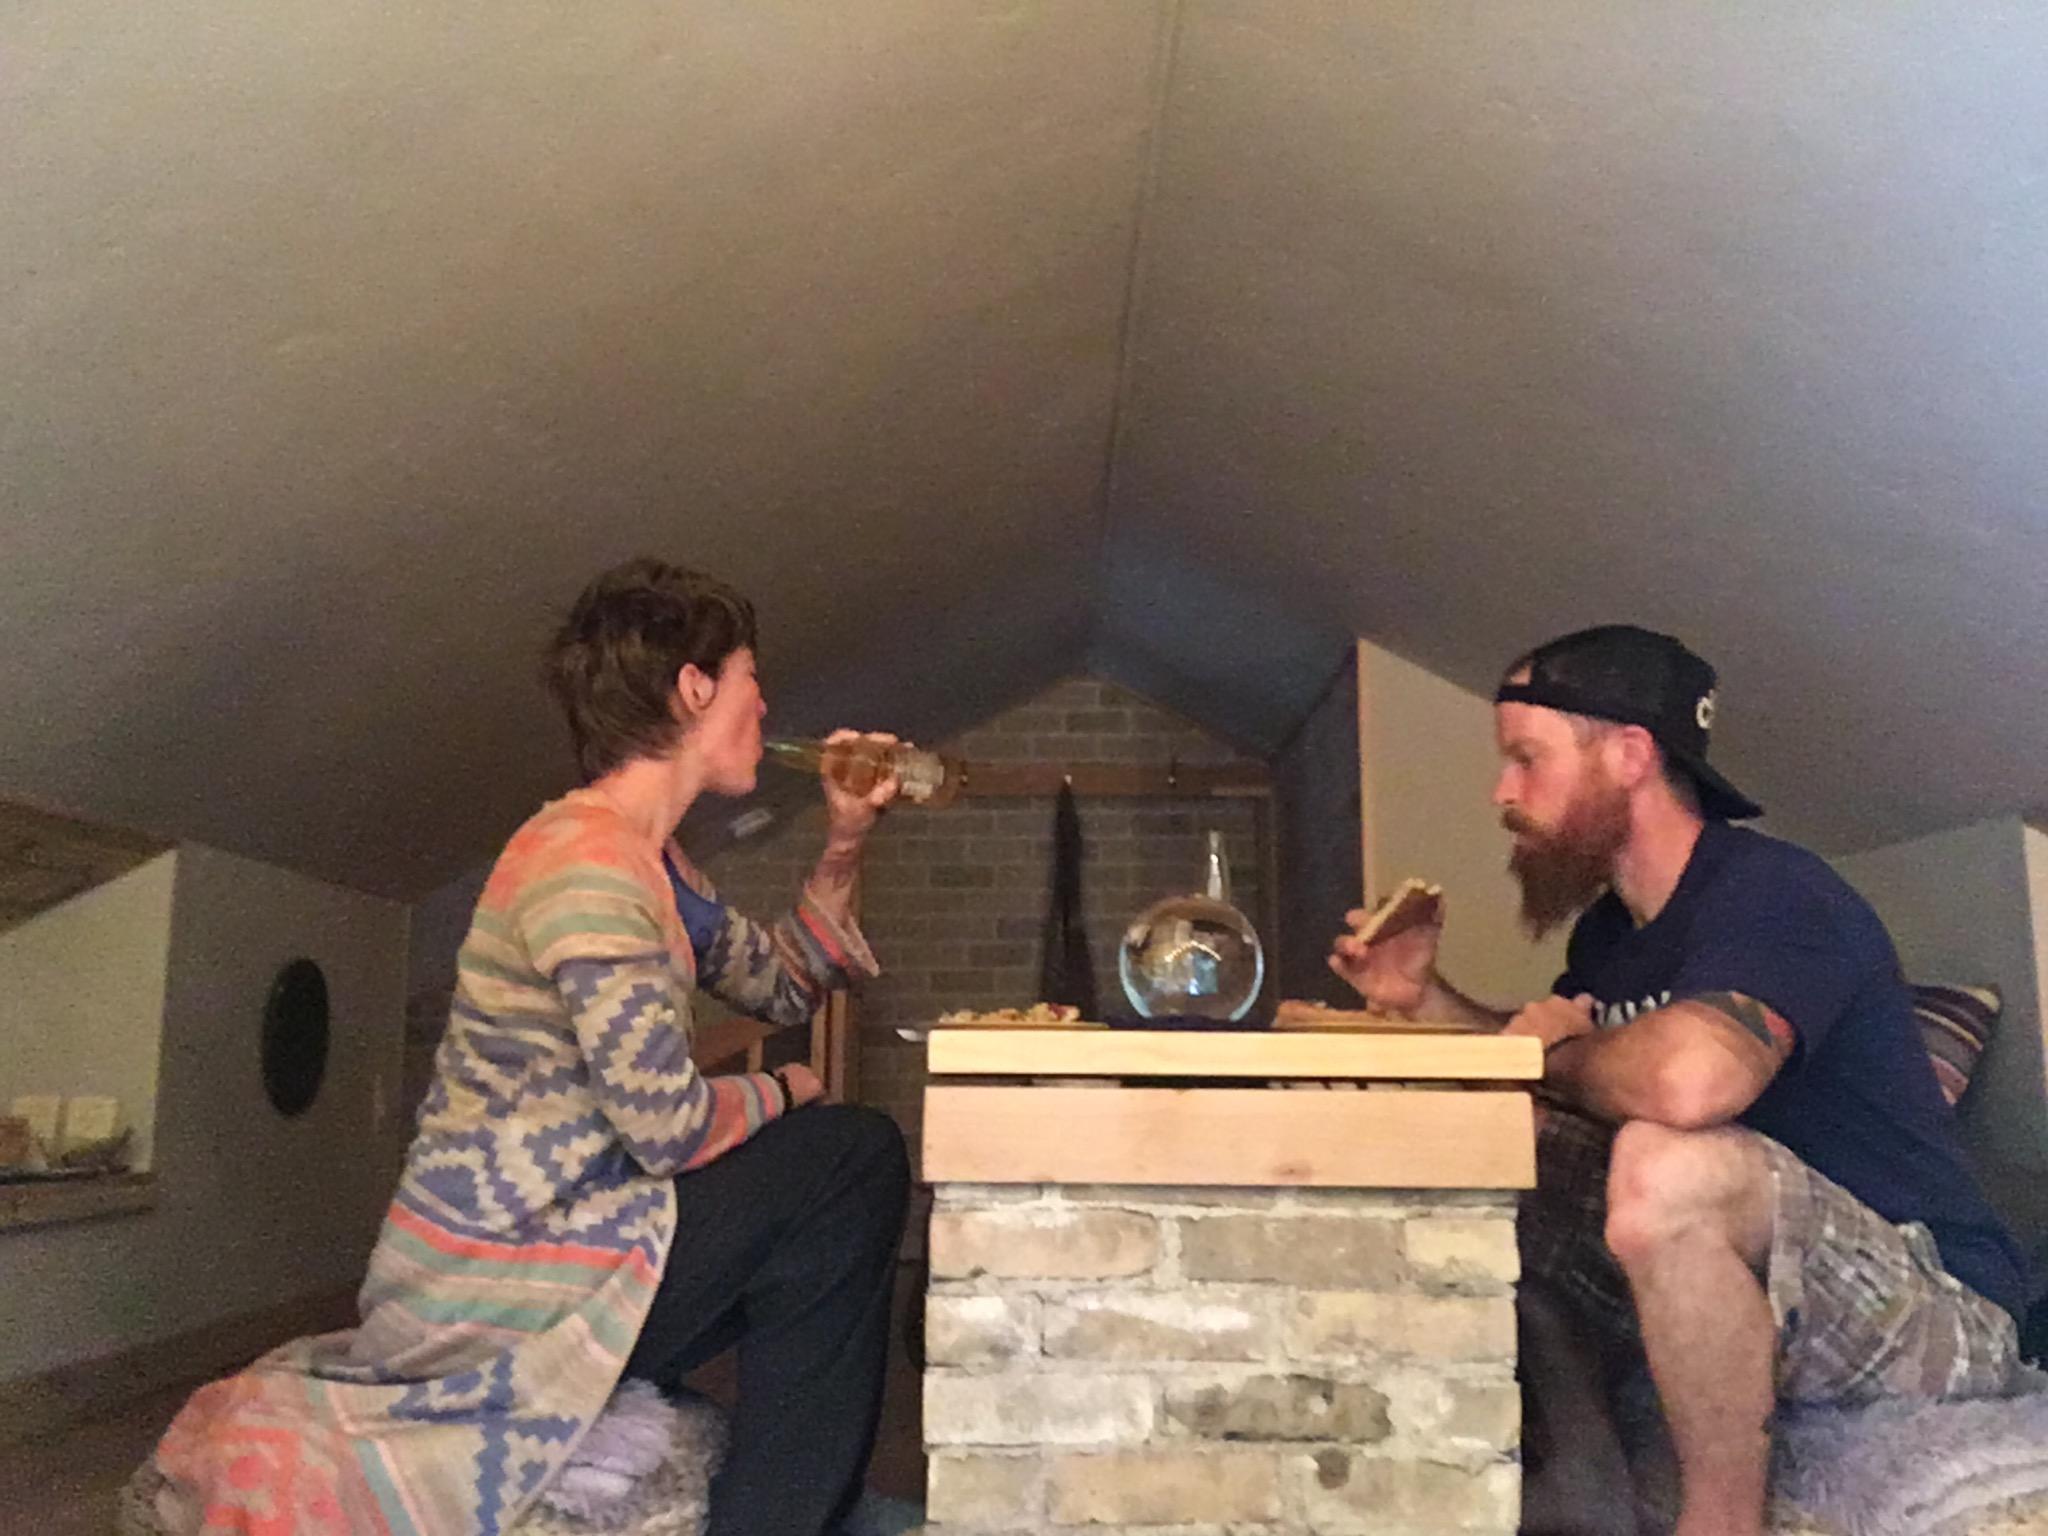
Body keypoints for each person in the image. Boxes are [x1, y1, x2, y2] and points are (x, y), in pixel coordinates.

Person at [150, 557, 911, 1536]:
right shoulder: (584, 867)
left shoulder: (655, 861)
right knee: (847, 1158)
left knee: (828, 1177)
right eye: (750, 680)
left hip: (593, 1225)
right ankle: (785, 1515)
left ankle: (795, 1499)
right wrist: (786, 1091)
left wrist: (845, 838)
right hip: (503, 1272)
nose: (764, 706)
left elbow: (783, 981)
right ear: (693, 687)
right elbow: (667, 1129)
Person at [1328, 624, 2029, 1536]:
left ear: (1629, 755)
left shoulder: (1776, 893)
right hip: (1774, 1286)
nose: (1504, 792)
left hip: (1936, 1303)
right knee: (1504, 1151)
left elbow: (1691, 1082)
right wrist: (1426, 1002)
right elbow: (1570, 1065)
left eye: (1527, 760)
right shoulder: (1610, 936)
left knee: (1666, 1165)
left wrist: (1551, 1058)